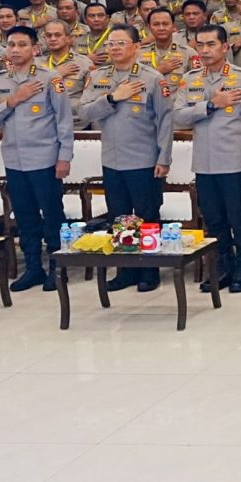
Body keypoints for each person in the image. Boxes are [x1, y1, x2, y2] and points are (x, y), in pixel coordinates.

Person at [170, 25, 241, 295]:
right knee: (213, 219)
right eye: (200, 45)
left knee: (238, 217)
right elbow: (178, 116)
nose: (205, 50)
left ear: (225, 47)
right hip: (203, 162)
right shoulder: (189, 79)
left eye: (211, 44)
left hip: (234, 161)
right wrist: (212, 104)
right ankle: (224, 265)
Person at [0, 26, 75, 293]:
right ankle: (33, 268)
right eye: (11, 45)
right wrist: (12, 101)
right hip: (14, 160)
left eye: (22, 45)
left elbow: (64, 122)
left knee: (52, 214)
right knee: (24, 215)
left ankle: (58, 268)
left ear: (35, 49)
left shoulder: (50, 78)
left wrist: (64, 157)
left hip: (45, 159)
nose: (16, 50)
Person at [76, 27, 173, 292]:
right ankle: (126, 269)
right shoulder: (98, 76)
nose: (115, 48)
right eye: (111, 44)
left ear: (136, 46)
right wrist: (112, 98)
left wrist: (164, 157)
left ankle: (149, 270)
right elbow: (83, 112)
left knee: (147, 216)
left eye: (121, 43)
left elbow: (165, 121)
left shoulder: (152, 78)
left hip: (144, 159)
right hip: (112, 159)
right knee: (119, 217)